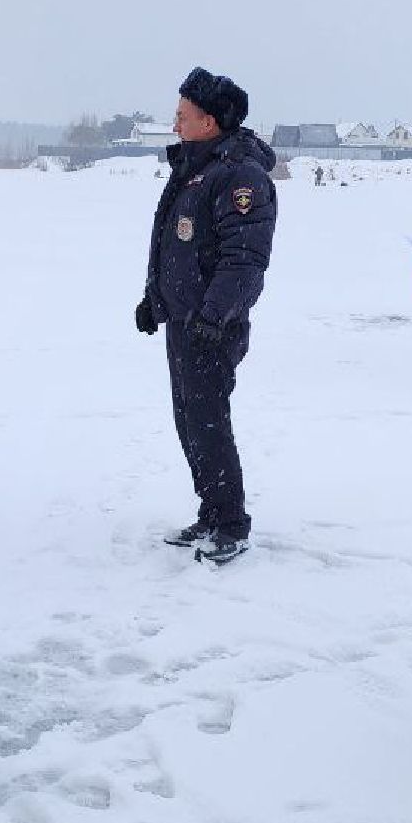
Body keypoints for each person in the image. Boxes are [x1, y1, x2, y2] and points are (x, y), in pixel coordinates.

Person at [134, 67, 278, 564]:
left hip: (212, 326)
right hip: (185, 320)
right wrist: (155, 301)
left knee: (208, 422)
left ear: (209, 122)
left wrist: (214, 319)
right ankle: (212, 511)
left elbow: (245, 260)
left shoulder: (240, 176)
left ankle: (230, 522)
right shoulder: (197, 169)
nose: (174, 125)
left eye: (182, 116)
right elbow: (176, 246)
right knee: (190, 420)